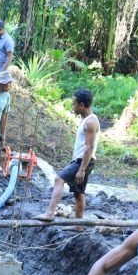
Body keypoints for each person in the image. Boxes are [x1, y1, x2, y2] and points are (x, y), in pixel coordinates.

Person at [36, 88, 99, 221]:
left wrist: (81, 169)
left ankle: (49, 213)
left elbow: (89, 147)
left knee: (59, 179)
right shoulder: (87, 120)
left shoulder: (90, 122)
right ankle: (79, 224)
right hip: (82, 160)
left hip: (83, 160)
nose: (73, 106)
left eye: (74, 103)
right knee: (78, 192)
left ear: (81, 105)